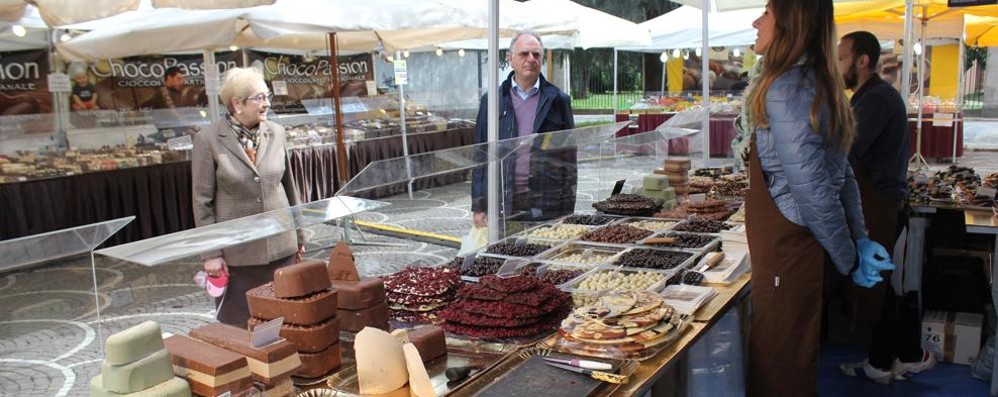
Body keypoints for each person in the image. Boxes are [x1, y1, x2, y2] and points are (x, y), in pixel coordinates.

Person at [742, 1, 895, 396]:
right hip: (794, 244)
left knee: (781, 364)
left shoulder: (788, 88)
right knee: (794, 354)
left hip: (787, 248)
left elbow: (814, 188)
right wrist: (857, 239)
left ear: (791, 24)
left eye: (767, 13)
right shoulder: (815, 81)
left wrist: (849, 256)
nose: (757, 22)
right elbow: (840, 173)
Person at [836, 30, 935, 384]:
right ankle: (897, 357)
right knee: (878, 284)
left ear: (863, 61)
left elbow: (845, 151)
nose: (837, 65)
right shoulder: (866, 97)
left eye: (842, 58)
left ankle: (894, 359)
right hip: (873, 200)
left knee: (876, 284)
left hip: (877, 202)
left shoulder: (875, 100)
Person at [191, 67, 305, 327]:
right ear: (237, 103)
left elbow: (289, 187)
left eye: (267, 97)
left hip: (281, 248)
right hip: (238, 255)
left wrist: (299, 235)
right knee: (242, 325)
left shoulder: (276, 132)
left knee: (288, 322)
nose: (266, 104)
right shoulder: (208, 140)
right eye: (259, 98)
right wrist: (211, 253)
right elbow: (202, 202)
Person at [470, 32, 575, 231]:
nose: (530, 59)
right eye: (524, 54)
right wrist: (479, 205)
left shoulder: (558, 100)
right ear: (510, 59)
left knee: (542, 257)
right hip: (503, 201)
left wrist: (567, 211)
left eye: (536, 55)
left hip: (545, 201)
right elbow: (480, 157)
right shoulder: (492, 100)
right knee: (505, 256)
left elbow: (569, 159)